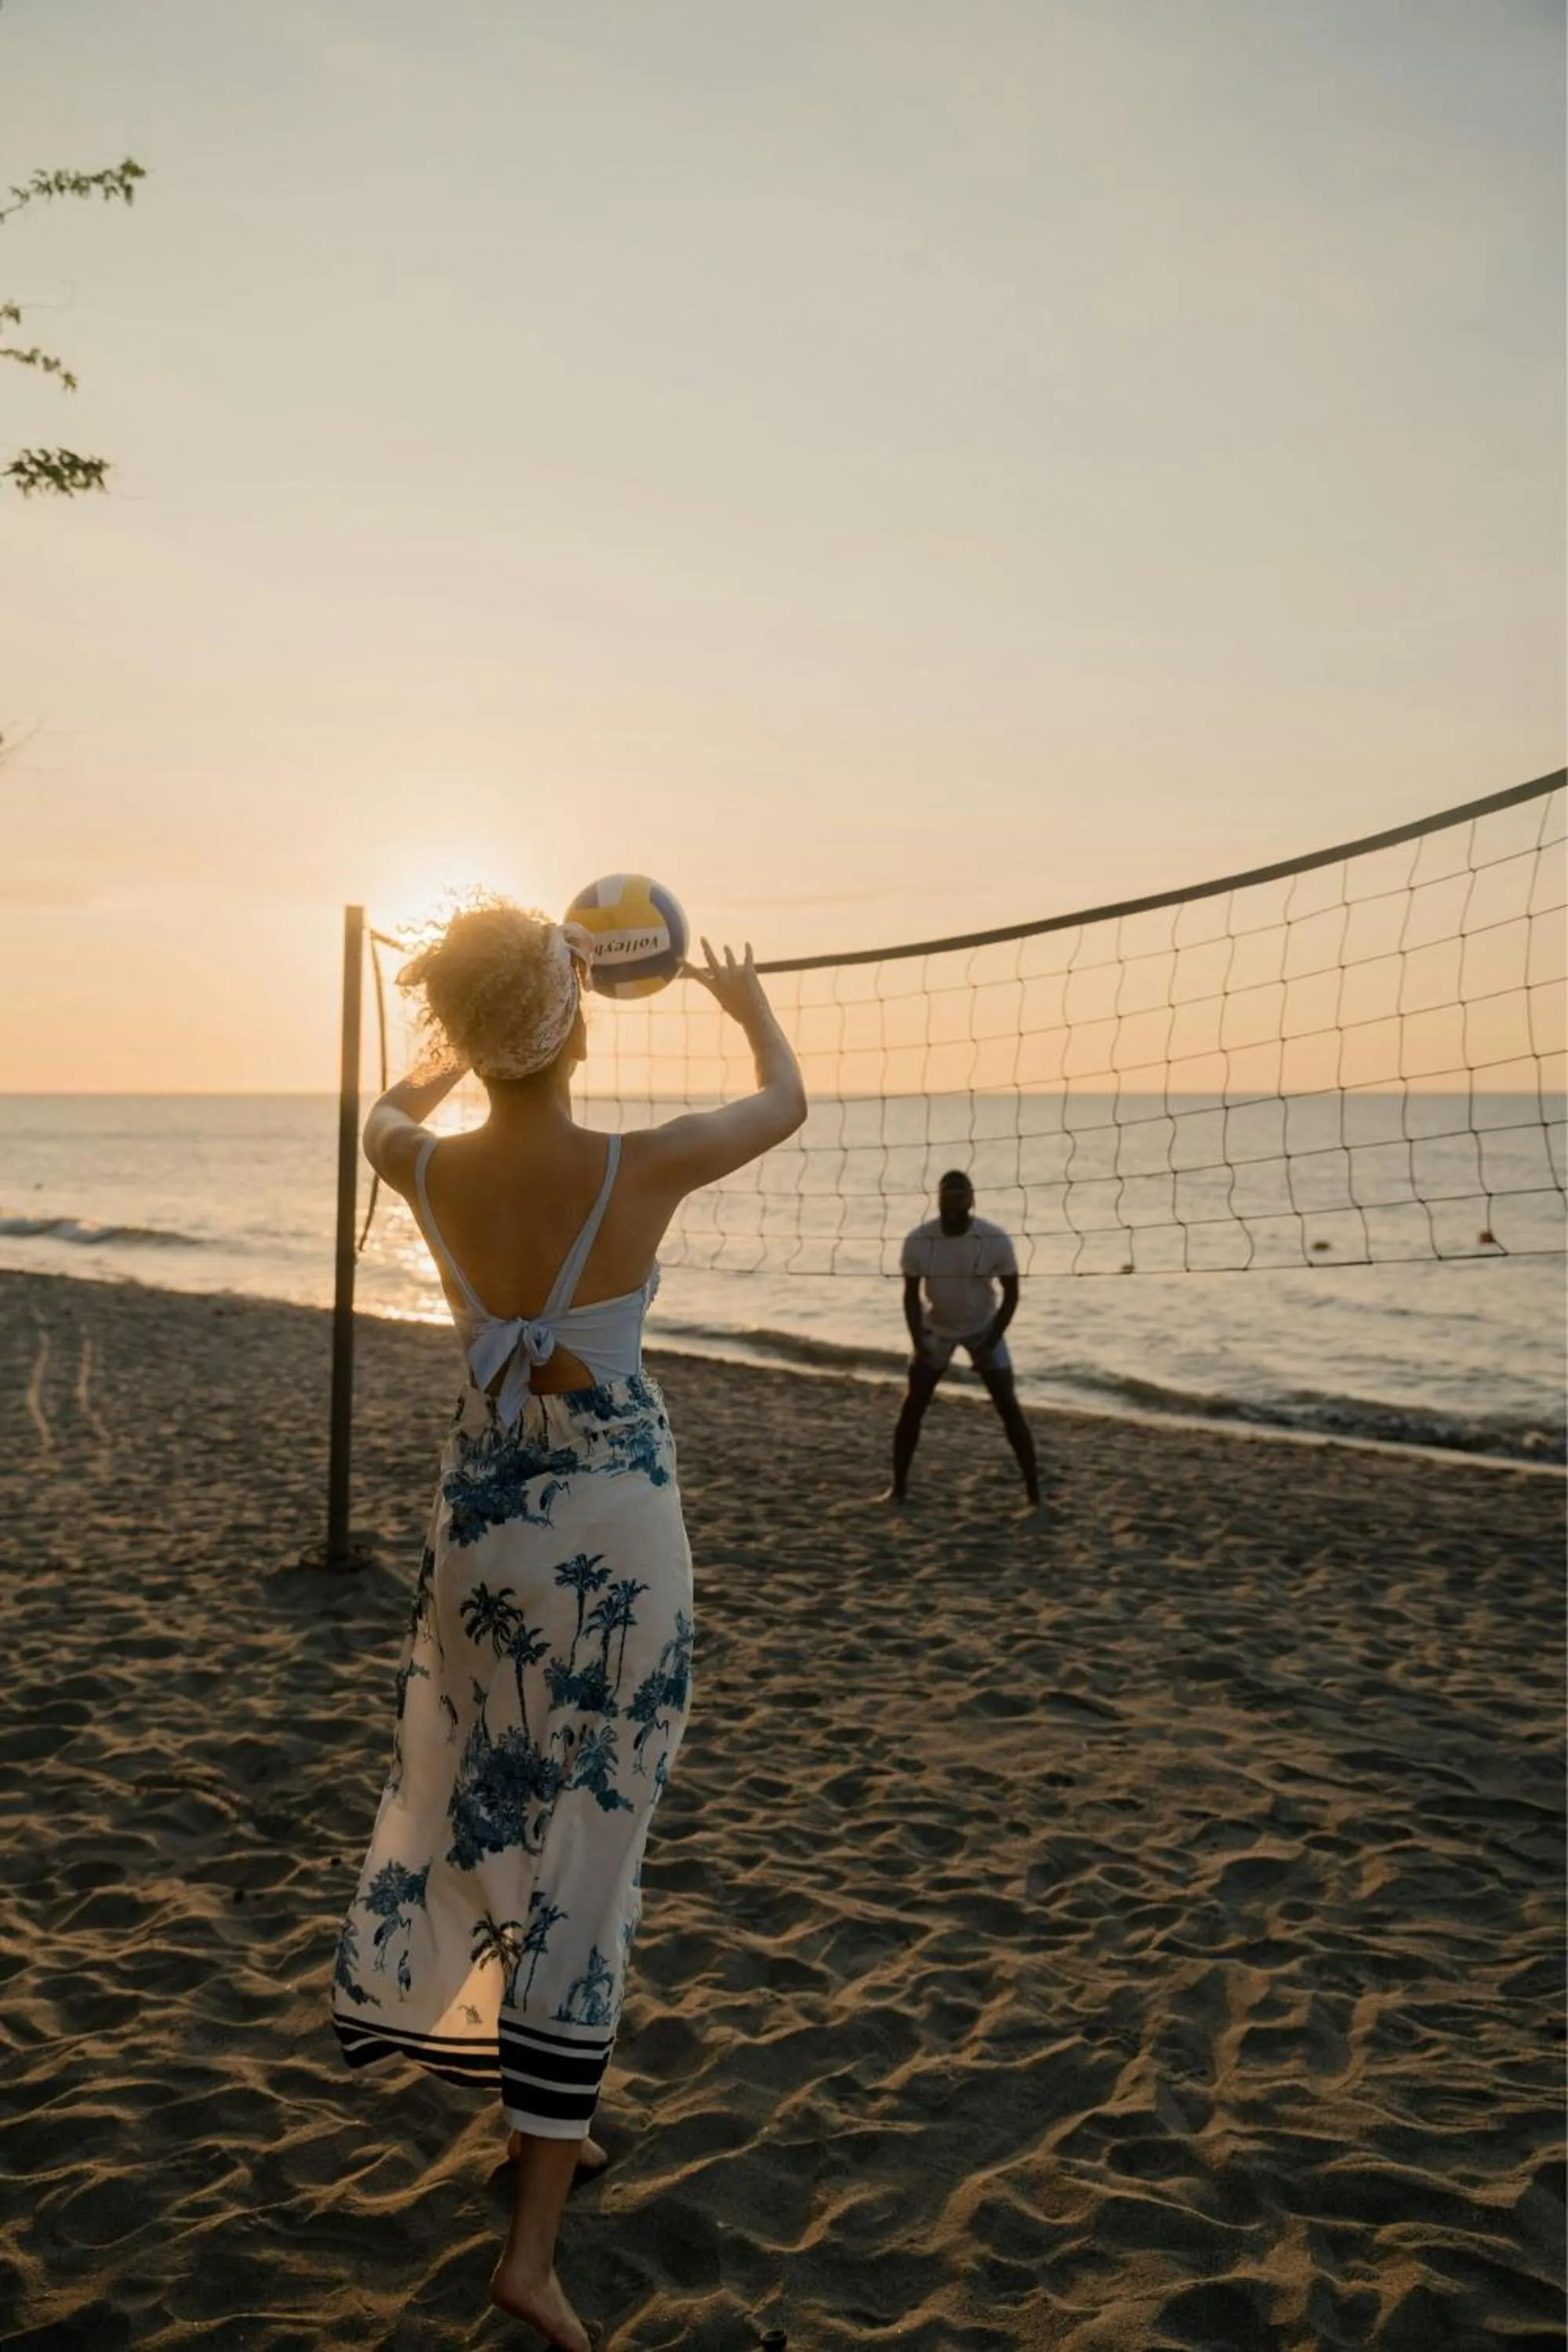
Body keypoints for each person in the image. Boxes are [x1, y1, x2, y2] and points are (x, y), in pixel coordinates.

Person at [330, 904, 804, 2352]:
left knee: (500, 1808)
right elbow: (788, 1104)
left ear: (472, 1037)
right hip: (610, 1551)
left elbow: (379, 1115)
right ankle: (531, 2254)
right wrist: (746, 1005)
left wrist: (439, 1059)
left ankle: (550, 2116)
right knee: (591, 1857)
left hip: (481, 1544)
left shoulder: (420, 1165)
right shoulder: (639, 1163)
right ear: (579, 1019)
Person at [885, 1170, 1041, 1513]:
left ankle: (1034, 1493)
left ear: (971, 1199)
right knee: (914, 1406)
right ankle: (897, 1488)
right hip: (937, 1327)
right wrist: (918, 1341)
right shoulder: (919, 1240)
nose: (953, 1202)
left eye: (960, 1196)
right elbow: (911, 1296)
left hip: (984, 1327)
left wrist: (991, 1340)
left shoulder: (994, 1238)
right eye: (947, 1195)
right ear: (938, 1199)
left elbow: (1012, 1294)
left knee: (1008, 1407)